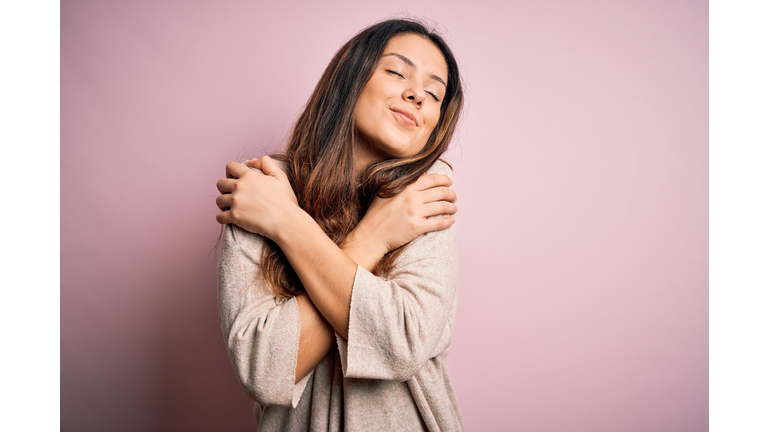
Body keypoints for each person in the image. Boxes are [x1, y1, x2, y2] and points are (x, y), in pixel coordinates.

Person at [215, 19, 465, 431]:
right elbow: (263, 367)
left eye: (434, 93)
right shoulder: (266, 191)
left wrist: (285, 222)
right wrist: (372, 239)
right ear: (350, 79)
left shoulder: (425, 196)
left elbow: (401, 341)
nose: (416, 94)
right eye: (397, 71)